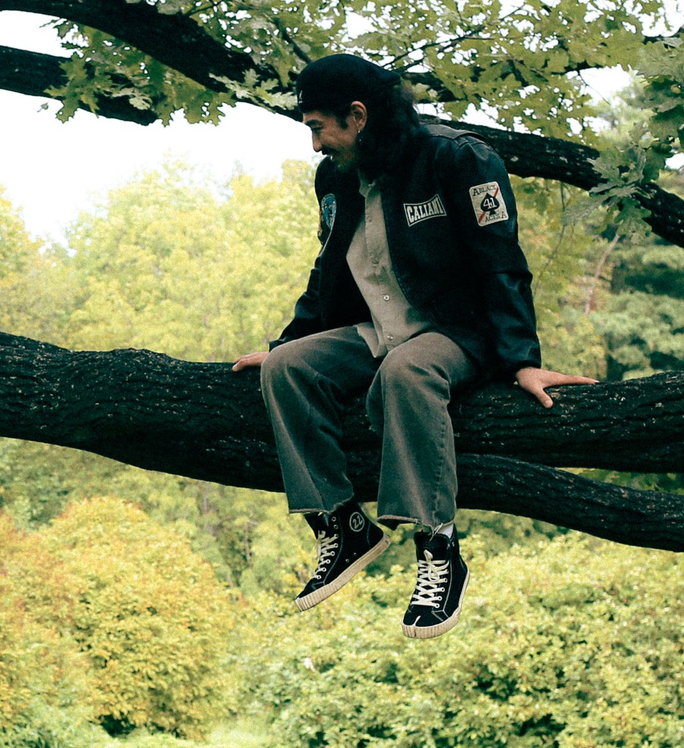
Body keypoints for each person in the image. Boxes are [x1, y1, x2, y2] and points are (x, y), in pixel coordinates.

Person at [232, 54, 594, 634]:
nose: (315, 144)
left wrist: (524, 362)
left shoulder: (460, 159)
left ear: (357, 116)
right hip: (379, 327)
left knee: (405, 370)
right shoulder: (335, 178)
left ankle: (438, 548)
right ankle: (342, 526)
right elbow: (328, 271)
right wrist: (286, 343)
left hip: (458, 332)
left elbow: (503, 263)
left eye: (317, 127)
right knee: (287, 370)